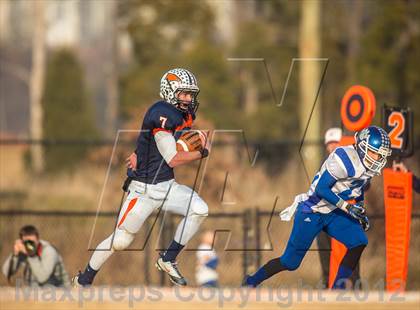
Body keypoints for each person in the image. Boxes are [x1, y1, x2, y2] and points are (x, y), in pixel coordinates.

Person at [73, 68, 209, 287]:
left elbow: (151, 138)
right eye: (183, 93)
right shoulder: (162, 113)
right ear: (170, 91)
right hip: (143, 191)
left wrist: (139, 152)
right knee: (121, 241)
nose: (188, 99)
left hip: (166, 186)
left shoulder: (184, 115)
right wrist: (201, 152)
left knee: (200, 209)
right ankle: (83, 279)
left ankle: (168, 258)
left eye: (190, 94)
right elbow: (173, 158)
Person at [244, 126, 392, 289]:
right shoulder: (343, 158)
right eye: (375, 153)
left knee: (359, 241)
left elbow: (358, 189)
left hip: (333, 211)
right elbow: (322, 189)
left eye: (380, 155)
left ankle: (337, 289)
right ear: (363, 147)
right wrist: (348, 209)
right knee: (290, 262)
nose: (378, 158)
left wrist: (360, 210)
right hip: (313, 210)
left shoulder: (367, 165)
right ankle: (251, 281)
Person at [2, 225, 70, 287]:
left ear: (38, 240)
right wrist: (15, 255)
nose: (29, 246)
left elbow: (42, 278)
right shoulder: (23, 251)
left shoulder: (49, 251)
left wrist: (31, 256)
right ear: (22, 242)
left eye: (32, 242)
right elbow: (6, 272)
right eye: (27, 243)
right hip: (37, 290)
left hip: (60, 290)